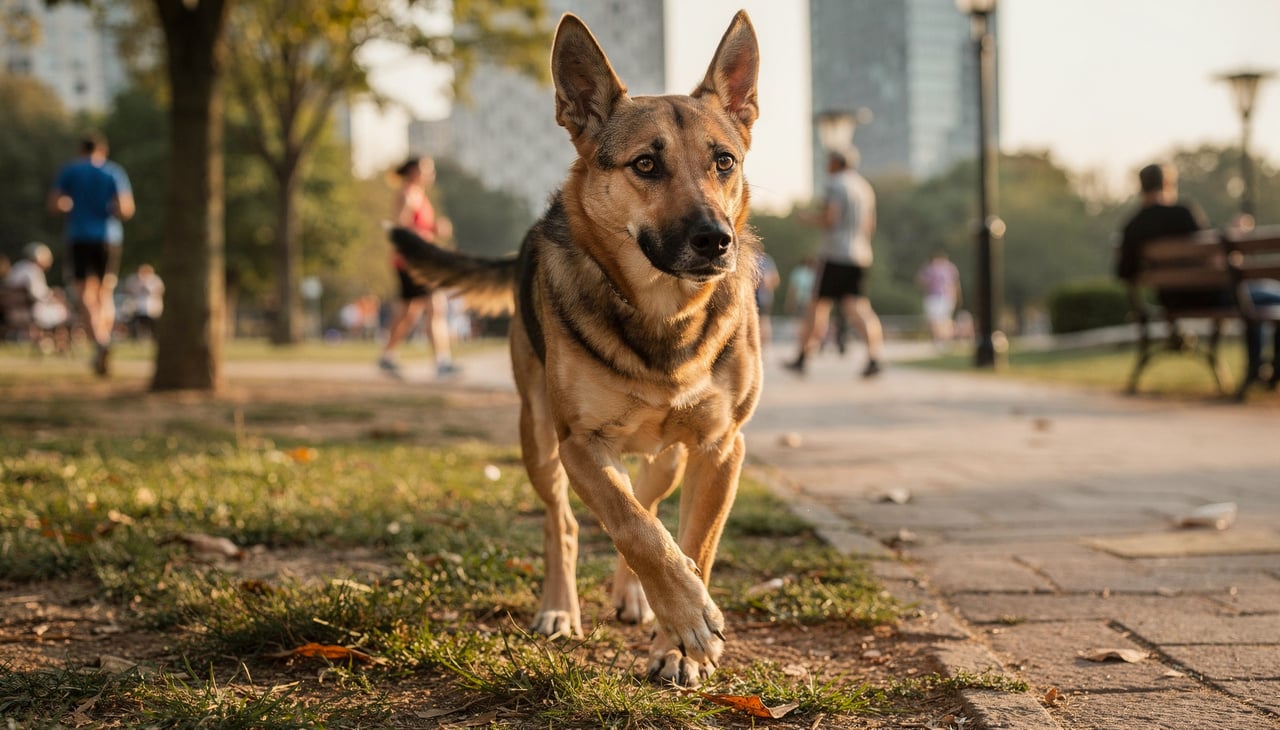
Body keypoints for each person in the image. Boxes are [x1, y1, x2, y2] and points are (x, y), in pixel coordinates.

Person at [1116, 163, 1280, 387]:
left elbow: (1124, 272)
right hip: (1211, 296)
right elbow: (1213, 258)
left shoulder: (1133, 226)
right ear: (1168, 184)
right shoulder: (1182, 213)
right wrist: (1235, 234)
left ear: (1142, 187)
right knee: (1267, 297)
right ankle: (1267, 372)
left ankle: (1258, 371)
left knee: (1254, 300)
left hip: (1172, 300)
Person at [784, 147, 885, 377]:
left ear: (836, 163)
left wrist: (806, 218)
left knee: (816, 307)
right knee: (859, 307)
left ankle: (802, 357)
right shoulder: (865, 188)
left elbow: (831, 217)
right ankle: (874, 356)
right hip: (860, 254)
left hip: (835, 254)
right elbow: (870, 225)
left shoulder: (835, 184)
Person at [48, 132, 134, 376]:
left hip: (79, 236)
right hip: (109, 237)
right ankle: (104, 340)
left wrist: (70, 206)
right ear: (103, 151)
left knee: (83, 292)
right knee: (104, 292)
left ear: (81, 150)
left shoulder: (70, 171)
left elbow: (55, 204)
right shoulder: (113, 172)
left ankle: (101, 342)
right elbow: (126, 208)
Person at [378, 156, 458, 379]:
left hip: (412, 260)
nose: (431, 174)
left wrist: (432, 229)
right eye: (427, 170)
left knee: (409, 313)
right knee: (435, 306)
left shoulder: (417, 195)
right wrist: (432, 229)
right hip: (412, 262)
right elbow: (401, 229)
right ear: (415, 172)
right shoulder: (408, 195)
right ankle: (442, 363)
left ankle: (387, 357)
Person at [3, 242, 69, 341]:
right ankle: (57, 340)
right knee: (63, 311)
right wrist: (53, 295)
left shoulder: (16, 268)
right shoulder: (33, 271)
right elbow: (37, 294)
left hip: (11, 311)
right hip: (30, 311)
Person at [916, 248, 962, 347]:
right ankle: (941, 340)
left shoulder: (943, 268)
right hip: (937, 296)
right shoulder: (938, 268)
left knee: (941, 320)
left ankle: (943, 340)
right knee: (938, 320)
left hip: (941, 297)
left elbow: (921, 282)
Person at [122, 263, 164, 341]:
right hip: (136, 306)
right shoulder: (133, 280)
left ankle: (152, 337)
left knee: (151, 324)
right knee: (136, 322)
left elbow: (160, 291)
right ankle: (136, 336)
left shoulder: (155, 280)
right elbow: (126, 290)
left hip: (151, 307)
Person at [755, 252, 780, 346]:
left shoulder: (766, 260)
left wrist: (767, 283)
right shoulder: (749, 257)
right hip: (751, 296)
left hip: (763, 297)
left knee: (763, 320)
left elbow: (776, 279)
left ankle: (763, 345)